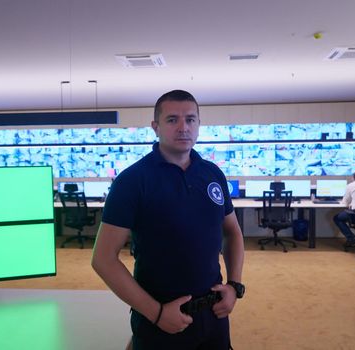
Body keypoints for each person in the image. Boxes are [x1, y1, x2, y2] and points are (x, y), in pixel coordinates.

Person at [91, 90, 245, 350]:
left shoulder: (213, 174)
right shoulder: (132, 181)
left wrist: (234, 285)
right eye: (173, 119)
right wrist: (157, 314)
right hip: (160, 317)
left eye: (191, 120)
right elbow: (103, 259)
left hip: (214, 313)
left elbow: (233, 232)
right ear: (156, 127)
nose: (183, 127)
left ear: (199, 125)